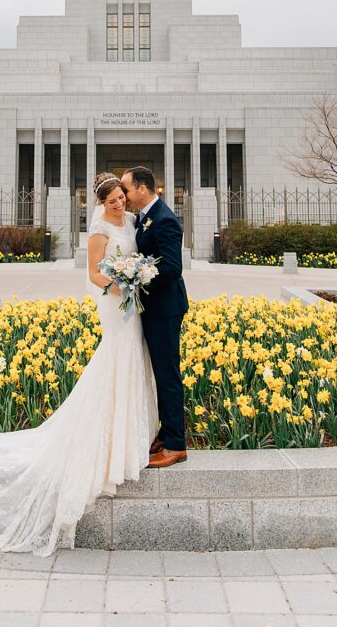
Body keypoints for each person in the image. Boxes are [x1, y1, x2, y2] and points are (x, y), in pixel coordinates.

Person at [0, 172, 157, 556]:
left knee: (133, 358)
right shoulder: (99, 230)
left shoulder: (133, 221)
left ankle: (131, 433)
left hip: (133, 305)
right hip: (115, 304)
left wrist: (137, 277)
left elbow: (137, 256)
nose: (119, 203)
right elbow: (94, 273)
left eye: (121, 197)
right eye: (112, 201)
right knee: (115, 359)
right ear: (101, 204)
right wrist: (121, 285)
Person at [120, 166, 189, 468]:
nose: (124, 195)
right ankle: (164, 432)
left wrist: (137, 276)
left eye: (126, 189)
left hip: (165, 309)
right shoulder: (144, 217)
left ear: (142, 188)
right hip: (153, 308)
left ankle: (175, 445)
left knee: (167, 375)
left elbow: (172, 268)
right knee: (159, 373)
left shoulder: (165, 219)